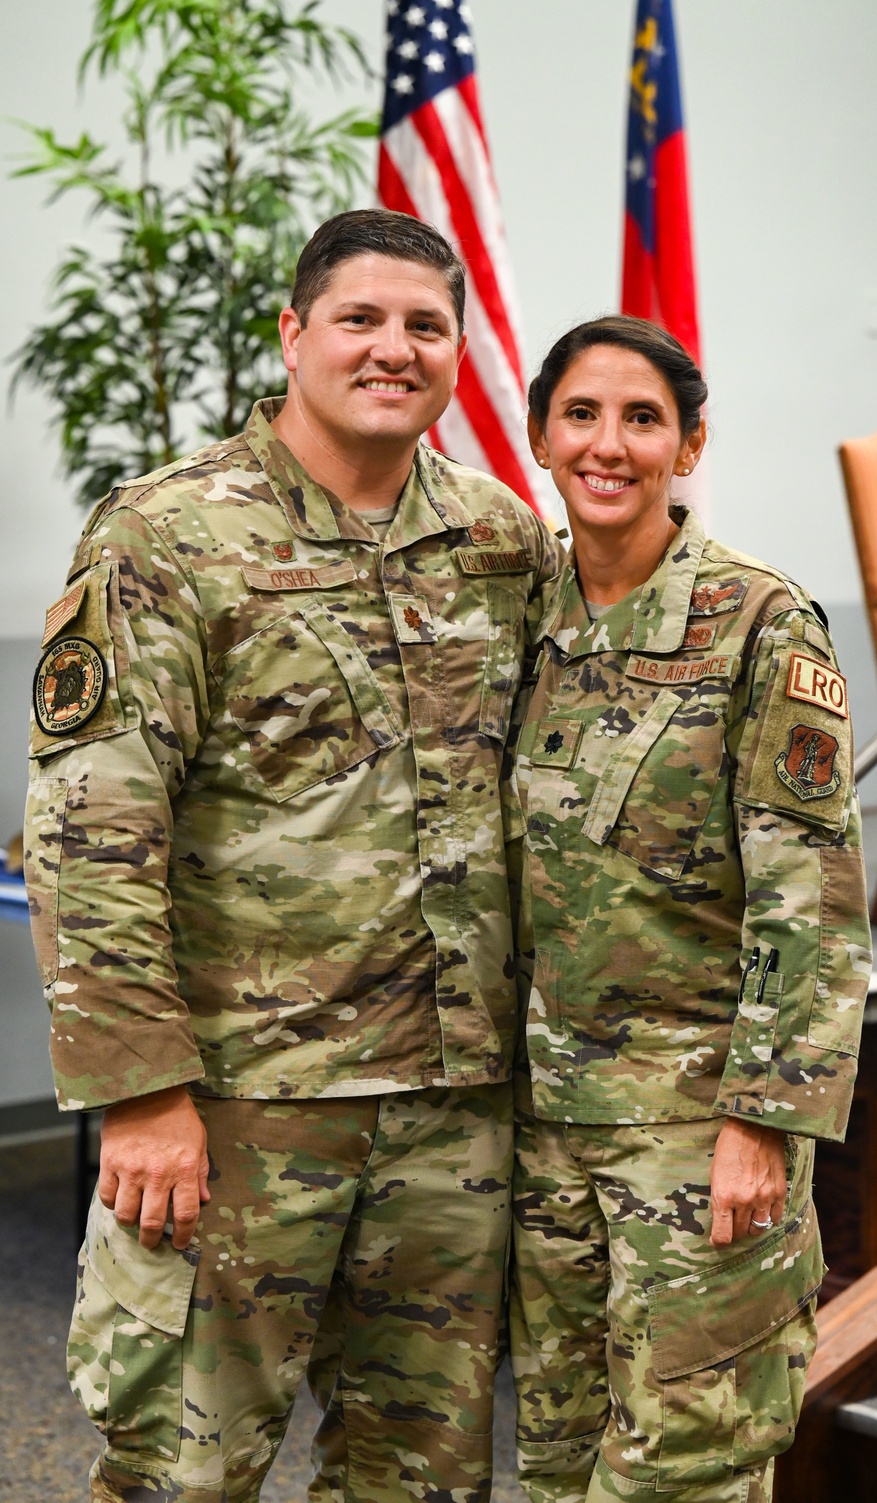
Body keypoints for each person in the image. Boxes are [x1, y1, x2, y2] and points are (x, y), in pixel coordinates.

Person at [23, 207, 561, 1503]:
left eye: (424, 324)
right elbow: (93, 826)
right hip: (245, 1105)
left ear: (458, 345)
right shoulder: (165, 533)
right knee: (184, 1468)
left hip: (452, 1106)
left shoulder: (502, 540)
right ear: (293, 332)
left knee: (423, 1473)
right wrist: (141, 1094)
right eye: (359, 318)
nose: (393, 347)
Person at [508, 316, 871, 1503]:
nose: (608, 445)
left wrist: (763, 1123)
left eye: (642, 418)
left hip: (695, 1129)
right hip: (544, 1121)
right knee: (559, 1454)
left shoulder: (762, 625)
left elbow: (808, 902)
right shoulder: (518, 620)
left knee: (685, 1470)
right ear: (540, 437)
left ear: (689, 443)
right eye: (581, 415)